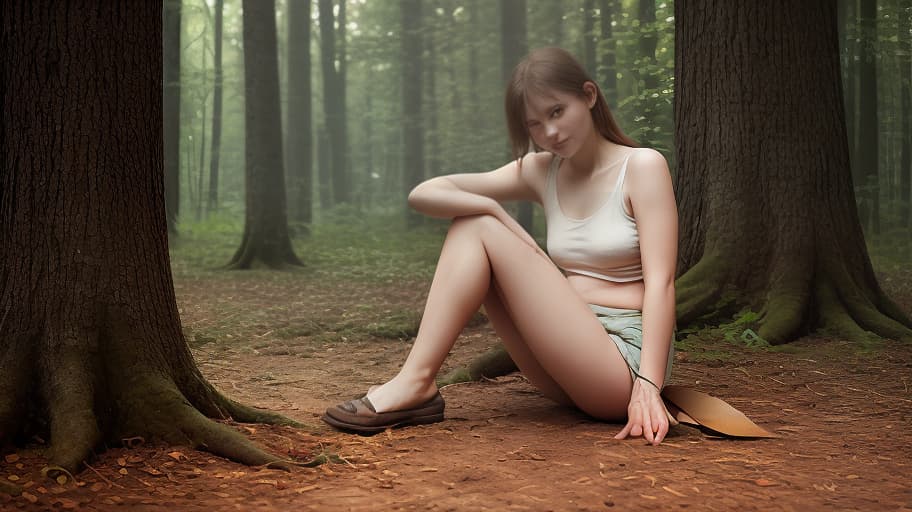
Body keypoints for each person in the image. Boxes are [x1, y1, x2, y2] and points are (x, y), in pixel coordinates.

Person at [323, 47, 678, 445]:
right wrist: (492, 206)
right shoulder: (541, 170)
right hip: (567, 360)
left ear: (589, 96)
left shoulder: (643, 166)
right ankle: (416, 381)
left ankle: (417, 382)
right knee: (475, 221)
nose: (550, 133)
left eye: (557, 111)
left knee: (481, 228)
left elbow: (662, 284)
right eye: (535, 125)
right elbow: (424, 193)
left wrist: (648, 382)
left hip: (623, 363)